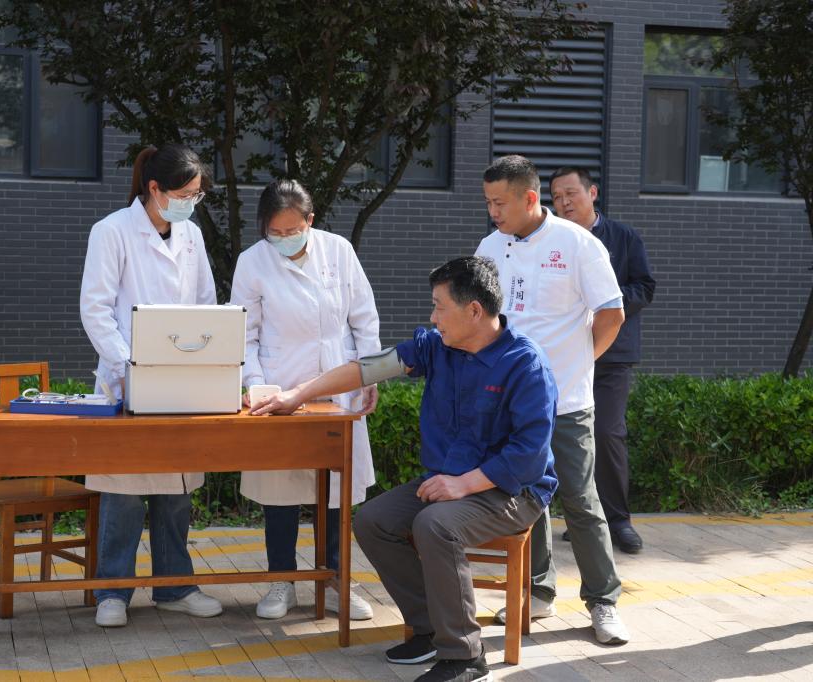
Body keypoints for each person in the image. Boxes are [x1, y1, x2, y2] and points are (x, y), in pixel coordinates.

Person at [253, 256, 557, 682]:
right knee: (373, 520)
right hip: (448, 480)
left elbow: (528, 456)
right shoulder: (438, 346)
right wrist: (297, 394)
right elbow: (367, 368)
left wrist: (463, 485)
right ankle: (429, 626)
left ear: (474, 310)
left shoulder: (526, 364)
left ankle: (466, 657)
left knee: (436, 525)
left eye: (439, 307)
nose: (433, 318)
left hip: (511, 490)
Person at [474, 155, 631, 645]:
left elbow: (612, 314)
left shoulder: (578, 244)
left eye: (500, 203)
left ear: (529, 198)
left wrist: (581, 363)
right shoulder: (489, 247)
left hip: (566, 399)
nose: (493, 212)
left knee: (580, 500)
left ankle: (603, 600)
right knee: (526, 499)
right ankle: (537, 590)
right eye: (488, 203)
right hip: (509, 403)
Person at [80, 144, 224, 627]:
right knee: (123, 491)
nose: (190, 203)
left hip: (181, 381)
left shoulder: (191, 236)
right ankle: (112, 592)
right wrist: (130, 365)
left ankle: (175, 586)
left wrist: (202, 360)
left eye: (196, 196)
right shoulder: (112, 232)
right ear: (155, 188)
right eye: (184, 195)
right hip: (125, 380)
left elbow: (205, 303)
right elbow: (96, 309)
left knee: (175, 492)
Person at [229, 179, 381, 621]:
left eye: (292, 230)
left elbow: (364, 318)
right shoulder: (252, 262)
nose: (282, 238)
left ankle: (334, 580)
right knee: (280, 490)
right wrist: (257, 385)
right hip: (279, 388)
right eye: (274, 232)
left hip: (338, 383)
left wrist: (369, 374)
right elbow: (244, 334)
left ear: (310, 221)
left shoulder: (338, 251)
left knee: (336, 490)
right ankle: (282, 581)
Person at [549, 167, 656, 554]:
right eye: (556, 197)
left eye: (571, 193)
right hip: (563, 357)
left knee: (607, 433)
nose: (564, 202)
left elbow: (644, 287)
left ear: (592, 193)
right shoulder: (552, 241)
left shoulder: (623, 237)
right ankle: (581, 518)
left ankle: (618, 521)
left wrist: (606, 302)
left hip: (611, 355)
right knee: (564, 437)